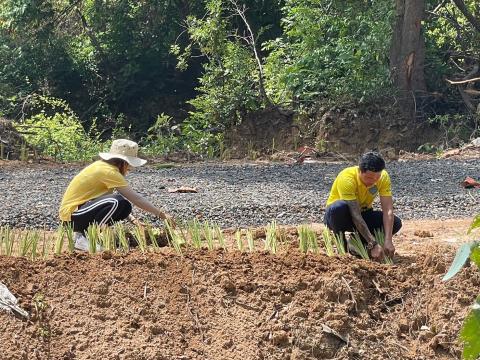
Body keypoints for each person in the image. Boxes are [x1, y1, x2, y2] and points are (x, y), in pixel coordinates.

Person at [59, 139, 175, 251]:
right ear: (123, 163)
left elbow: (101, 200)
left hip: (79, 212)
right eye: (129, 165)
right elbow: (135, 198)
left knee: (125, 207)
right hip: (73, 214)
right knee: (118, 201)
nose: (129, 169)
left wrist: (134, 220)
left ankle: (85, 236)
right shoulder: (109, 171)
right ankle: (84, 238)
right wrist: (162, 215)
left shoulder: (103, 167)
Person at [323, 151, 402, 261]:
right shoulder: (347, 178)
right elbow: (355, 215)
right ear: (360, 171)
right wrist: (373, 243)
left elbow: (388, 210)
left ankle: (356, 243)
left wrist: (388, 239)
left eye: (377, 177)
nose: (373, 181)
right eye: (369, 178)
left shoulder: (383, 177)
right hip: (340, 217)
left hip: (364, 213)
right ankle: (342, 246)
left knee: (396, 223)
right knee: (338, 208)